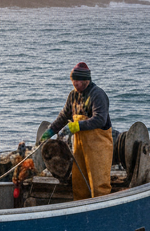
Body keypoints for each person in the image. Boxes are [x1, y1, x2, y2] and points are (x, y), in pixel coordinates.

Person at [40, 62, 112, 199]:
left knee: (99, 184)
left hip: (98, 147)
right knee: (79, 182)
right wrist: (50, 131)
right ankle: (81, 207)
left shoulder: (98, 95)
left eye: (78, 80)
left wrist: (77, 126)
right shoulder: (73, 95)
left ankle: (101, 209)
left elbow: (100, 119)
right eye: (73, 80)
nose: (75, 83)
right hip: (79, 147)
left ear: (86, 80)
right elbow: (63, 116)